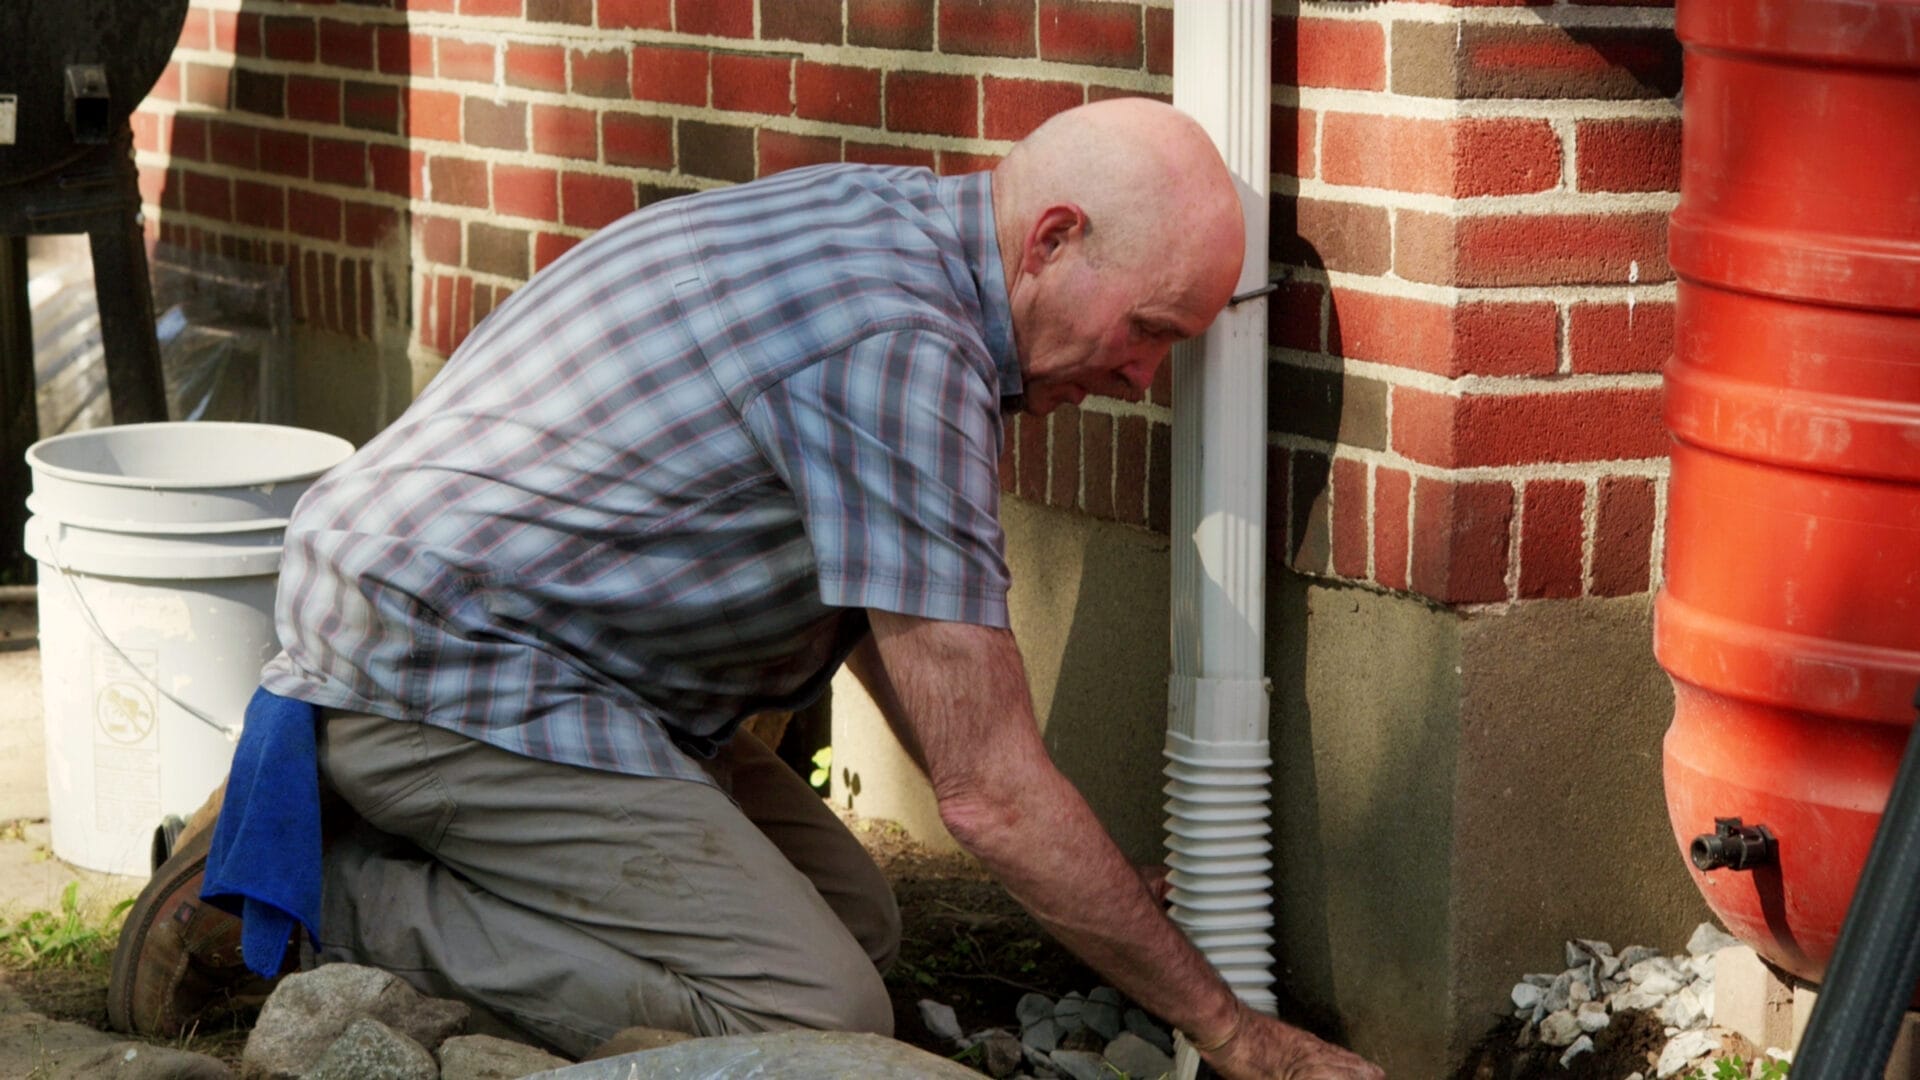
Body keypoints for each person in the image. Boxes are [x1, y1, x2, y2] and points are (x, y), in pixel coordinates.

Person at [109, 97, 1384, 1079]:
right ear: (1054, 240)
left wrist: (1076, 866)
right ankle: (313, 889)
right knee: (818, 1014)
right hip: (447, 667)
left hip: (542, 649)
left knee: (858, 926)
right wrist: (1233, 1031)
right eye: (1152, 331)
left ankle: (384, 840)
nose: (1142, 380)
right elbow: (988, 790)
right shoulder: (900, 350)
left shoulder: (902, 233)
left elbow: (910, 643)